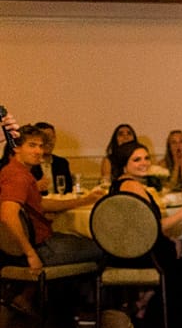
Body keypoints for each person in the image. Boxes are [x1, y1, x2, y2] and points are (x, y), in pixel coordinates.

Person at [0, 124, 105, 317]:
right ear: (16, 148)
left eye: (40, 146)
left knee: (80, 238)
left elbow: (41, 204)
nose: (39, 151)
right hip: (42, 248)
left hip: (41, 242)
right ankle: (88, 309)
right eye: (32, 145)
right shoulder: (17, 177)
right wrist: (30, 254)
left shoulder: (17, 171)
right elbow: (7, 215)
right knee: (105, 246)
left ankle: (28, 296)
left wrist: (83, 201)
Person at [109, 140, 182, 322]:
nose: (144, 163)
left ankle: (143, 302)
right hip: (142, 254)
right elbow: (153, 226)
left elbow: (139, 226)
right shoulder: (132, 186)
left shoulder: (118, 184)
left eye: (146, 158)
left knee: (177, 245)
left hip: (126, 249)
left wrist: (170, 238)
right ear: (124, 165)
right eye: (137, 160)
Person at [29, 121, 73, 194]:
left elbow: (68, 191)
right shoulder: (29, 164)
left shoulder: (62, 163)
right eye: (45, 138)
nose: (49, 141)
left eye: (51, 137)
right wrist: (35, 187)